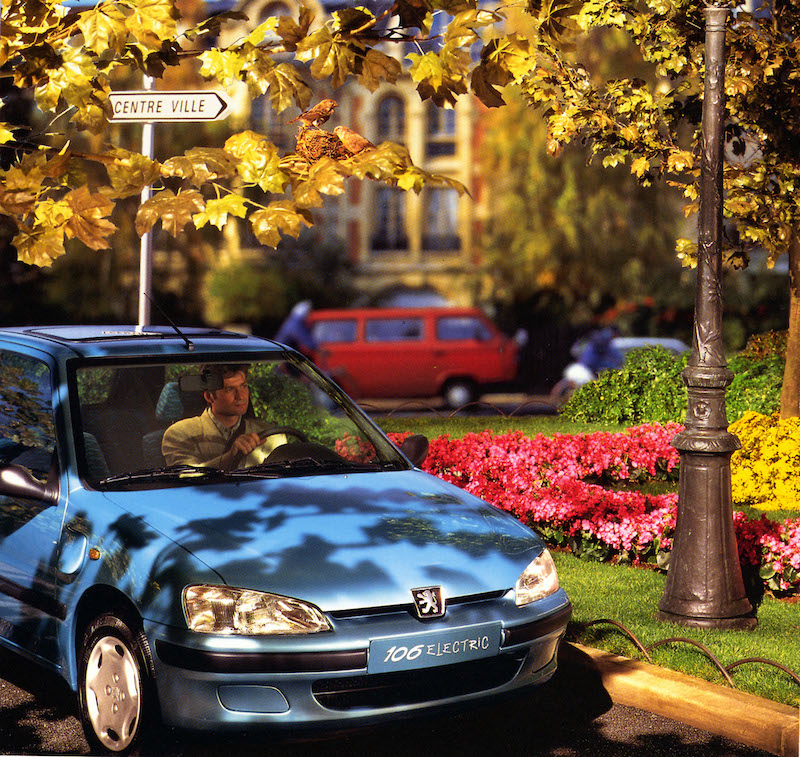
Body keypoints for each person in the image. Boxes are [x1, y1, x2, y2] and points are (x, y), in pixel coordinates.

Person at [162, 364, 285, 469]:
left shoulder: (271, 435)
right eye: (229, 389)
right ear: (209, 397)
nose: (241, 396)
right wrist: (229, 457)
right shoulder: (180, 434)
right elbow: (184, 477)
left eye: (243, 386)